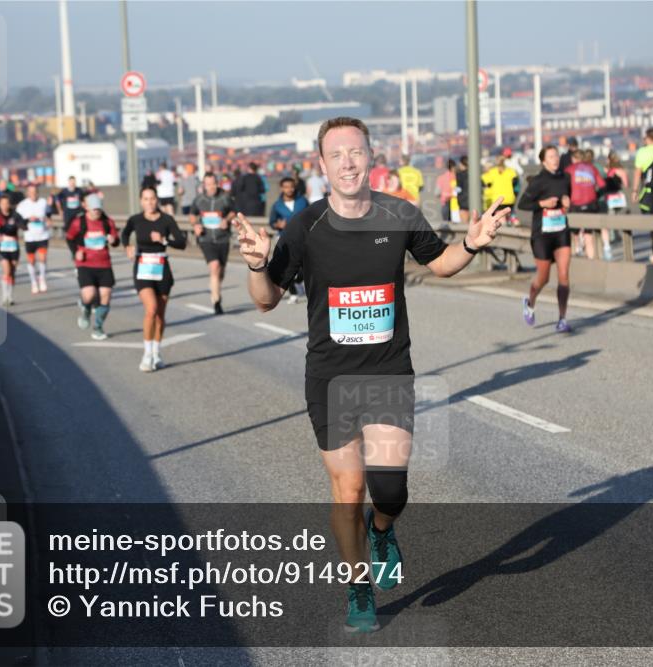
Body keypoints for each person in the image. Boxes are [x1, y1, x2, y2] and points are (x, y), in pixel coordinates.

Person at [233, 116, 508, 633]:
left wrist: (471, 243)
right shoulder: (306, 226)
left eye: (355, 152)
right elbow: (267, 300)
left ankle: (382, 532)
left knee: (390, 491)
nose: (347, 163)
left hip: (386, 373)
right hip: (330, 379)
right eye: (336, 155)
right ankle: (358, 587)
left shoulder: (397, 213)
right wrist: (255, 265)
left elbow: (440, 264)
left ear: (370, 156)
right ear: (321, 165)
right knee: (348, 486)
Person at [121, 186, 188, 372]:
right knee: (151, 309)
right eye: (146, 199)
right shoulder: (135, 220)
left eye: (152, 199)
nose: (149, 202)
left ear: (157, 200)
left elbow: (182, 242)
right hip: (143, 269)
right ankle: (147, 354)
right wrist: (127, 246)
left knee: (160, 316)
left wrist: (164, 240)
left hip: (162, 270)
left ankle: (157, 353)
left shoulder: (166, 219)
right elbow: (124, 233)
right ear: (141, 201)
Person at [518, 145, 574, 332]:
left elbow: (568, 202)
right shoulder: (538, 181)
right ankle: (530, 302)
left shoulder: (566, 178)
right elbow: (523, 204)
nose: (555, 159)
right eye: (551, 156)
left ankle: (562, 319)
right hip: (542, 234)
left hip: (561, 231)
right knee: (543, 278)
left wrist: (567, 203)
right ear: (543, 161)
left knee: (564, 275)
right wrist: (542, 203)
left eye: (556, 155)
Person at [67, 193, 119, 340]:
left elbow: (116, 241)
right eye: (94, 209)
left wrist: (113, 239)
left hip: (104, 264)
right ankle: (85, 308)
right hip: (85, 264)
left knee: (106, 295)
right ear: (87, 208)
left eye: (99, 209)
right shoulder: (79, 222)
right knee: (89, 294)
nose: (96, 212)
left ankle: (98, 327)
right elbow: (69, 238)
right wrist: (76, 252)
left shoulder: (107, 222)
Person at [189, 173, 235, 314]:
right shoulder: (199, 200)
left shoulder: (225, 198)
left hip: (223, 238)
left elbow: (233, 211)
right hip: (206, 238)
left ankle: (216, 288)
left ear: (217, 183)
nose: (211, 187)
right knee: (214, 266)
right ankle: (216, 301)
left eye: (213, 183)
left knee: (221, 272)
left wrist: (226, 220)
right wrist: (196, 225)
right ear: (204, 185)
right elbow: (192, 215)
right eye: (208, 184)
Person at [269, 176, 310, 304]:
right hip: (285, 238)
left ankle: (299, 282)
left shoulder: (303, 201)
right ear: (282, 188)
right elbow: (272, 222)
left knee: (306, 266)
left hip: (304, 238)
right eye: (286, 187)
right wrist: (277, 225)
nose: (289, 189)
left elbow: (312, 216)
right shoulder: (277, 205)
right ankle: (293, 293)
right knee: (288, 266)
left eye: (292, 186)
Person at [564, 149, 606, 258]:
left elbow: (563, 186)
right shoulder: (592, 168)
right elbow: (602, 185)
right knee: (589, 236)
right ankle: (591, 261)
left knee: (574, 233)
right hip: (591, 204)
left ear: (574, 159)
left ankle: (577, 251)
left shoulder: (569, 169)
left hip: (575, 204)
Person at [16, 185, 52, 294]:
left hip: (42, 235)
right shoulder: (22, 205)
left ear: (38, 192)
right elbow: (18, 220)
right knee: (31, 261)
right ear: (27, 193)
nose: (33, 194)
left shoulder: (43, 202)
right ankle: (33, 282)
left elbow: (48, 214)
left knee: (42, 258)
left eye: (35, 191)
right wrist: (27, 221)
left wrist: (48, 220)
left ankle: (42, 278)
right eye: (31, 192)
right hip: (30, 237)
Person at [0, 194, 22, 306]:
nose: (5, 206)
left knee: (12, 272)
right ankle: (4, 296)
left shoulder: (15, 215)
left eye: (7, 203)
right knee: (6, 270)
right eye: (2, 204)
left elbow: (22, 223)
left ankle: (10, 296)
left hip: (14, 246)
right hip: (2, 247)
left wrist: (24, 226)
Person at [56, 176, 84, 260]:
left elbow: (83, 200)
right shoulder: (64, 192)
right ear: (68, 182)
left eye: (74, 181)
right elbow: (57, 199)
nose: (73, 183)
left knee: (79, 234)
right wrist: (60, 210)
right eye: (71, 181)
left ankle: (78, 250)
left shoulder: (79, 191)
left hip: (78, 215)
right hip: (68, 216)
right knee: (70, 235)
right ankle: (73, 251)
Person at [456, 155, 471, 223]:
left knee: (465, 224)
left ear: (462, 164)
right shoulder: (475, 173)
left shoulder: (460, 175)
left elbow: (458, 188)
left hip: (463, 202)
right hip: (475, 202)